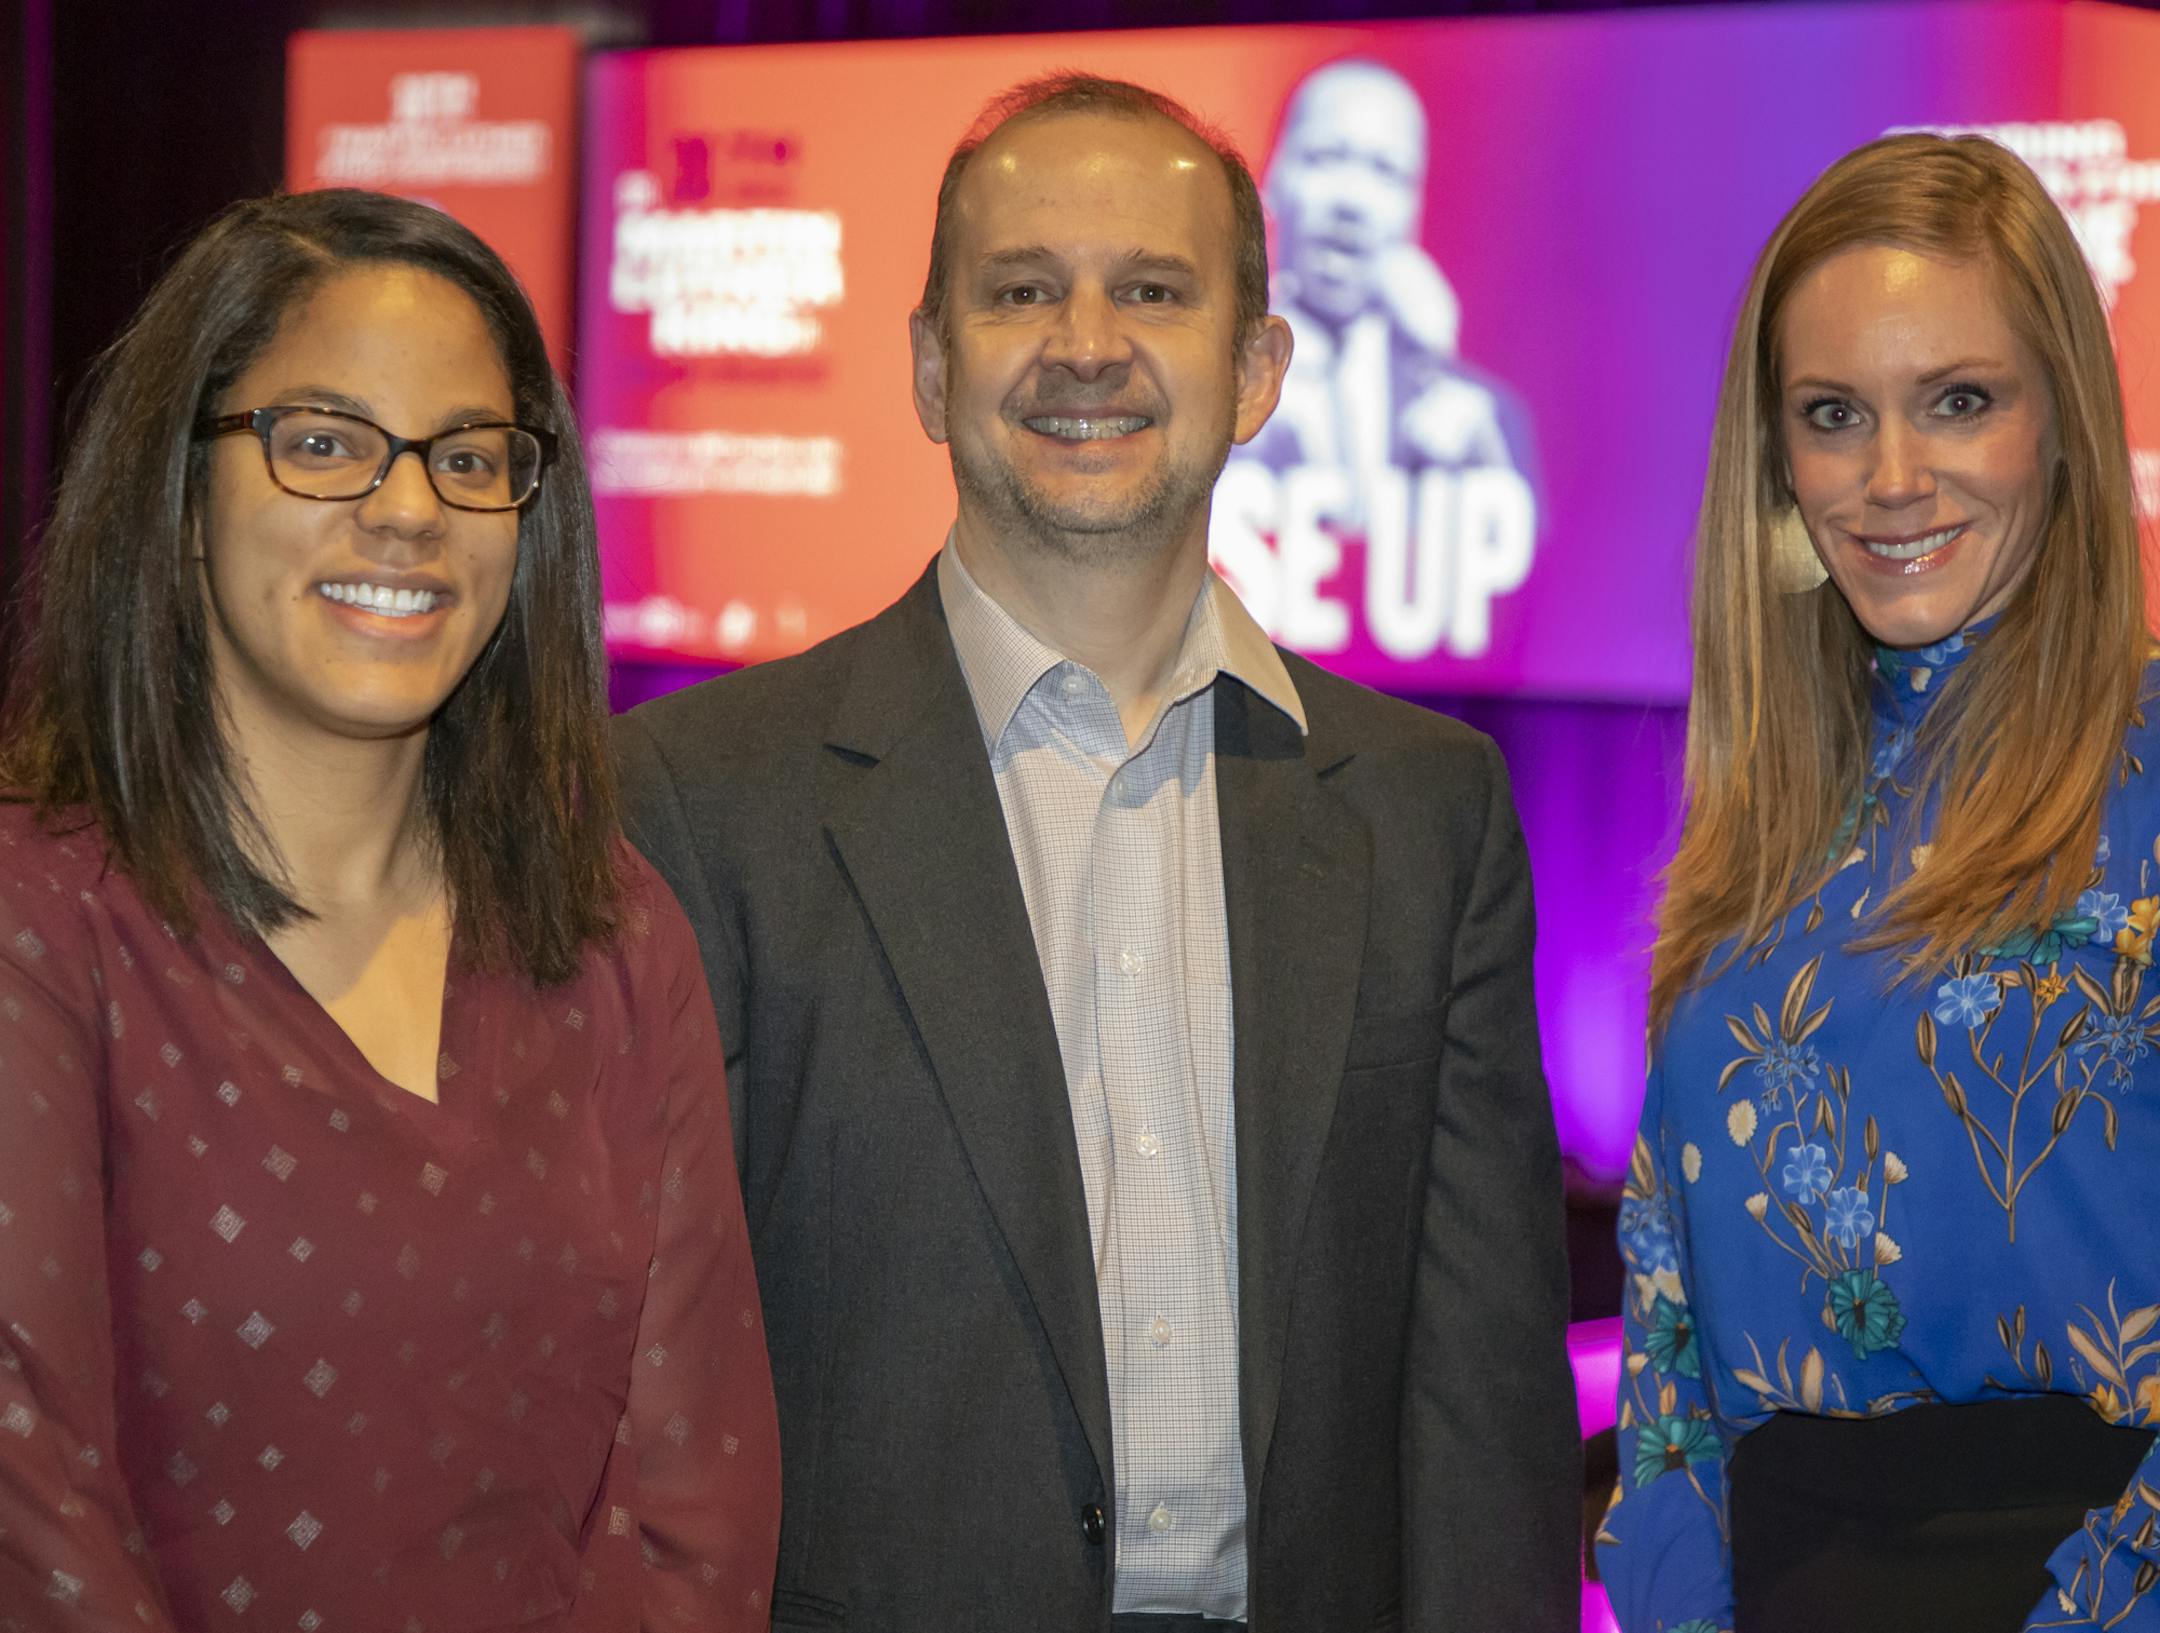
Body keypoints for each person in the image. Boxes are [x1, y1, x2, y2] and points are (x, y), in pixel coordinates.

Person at [616, 73, 1577, 1633]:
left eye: (1151, 289)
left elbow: (1482, 1418)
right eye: (1019, 292)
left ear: (1254, 368)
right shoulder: (697, 797)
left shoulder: (1428, 812)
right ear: (930, 367)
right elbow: (639, 1399)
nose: (1084, 343)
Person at [0, 189, 779, 1628]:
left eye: (469, 458)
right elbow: (32, 1510)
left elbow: (697, 1498)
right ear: (176, 499)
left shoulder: (606, 926)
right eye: (322, 444)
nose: (409, 507)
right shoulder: (42, 923)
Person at [1597, 133, 2160, 1633]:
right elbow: (1668, 1358)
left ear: (2062, 426)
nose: (1893, 478)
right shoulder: (1759, 830)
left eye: (1960, 401)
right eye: (1834, 415)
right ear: (1778, 463)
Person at [1233, 59, 1536, 532]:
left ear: (1414, 208)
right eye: (1326, 157)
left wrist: (1486, 466)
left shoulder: (1485, 418)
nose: (1352, 201)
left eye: (1386, 171)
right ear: (1271, 180)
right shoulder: (1207, 390)